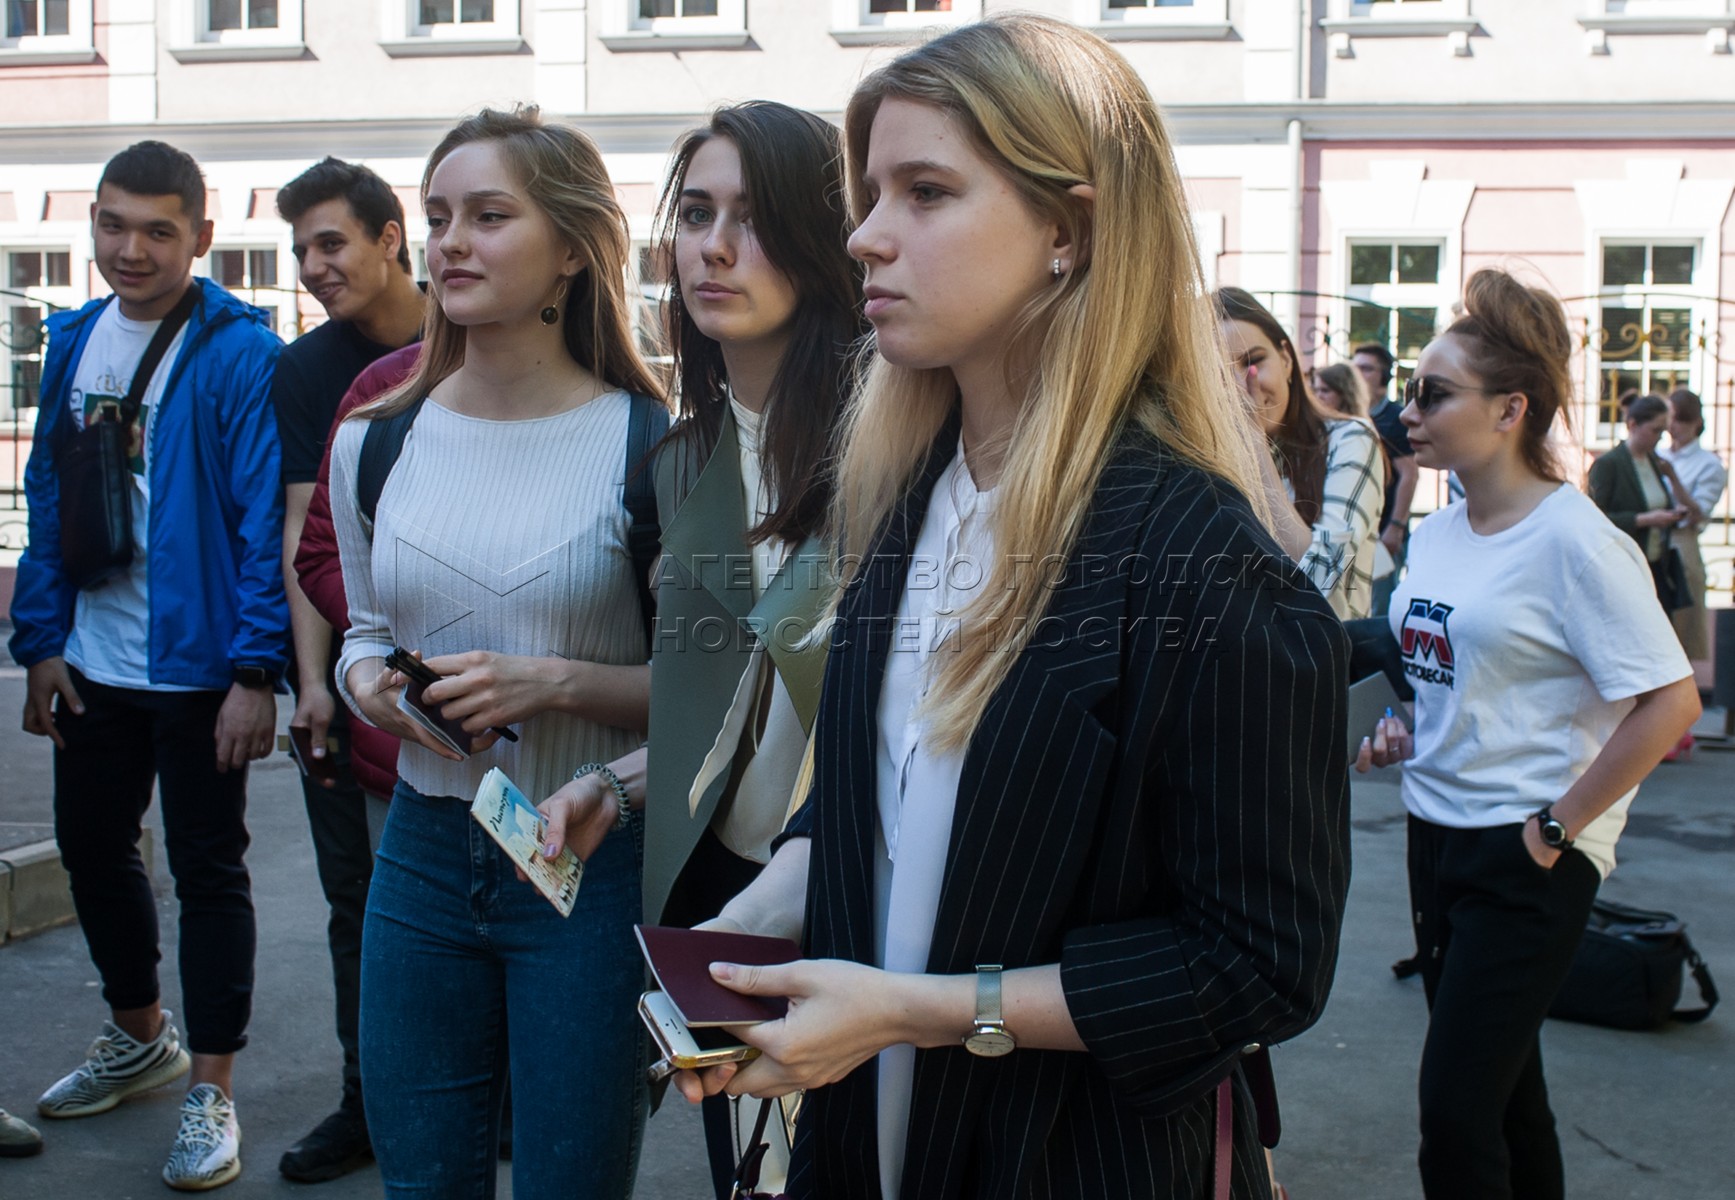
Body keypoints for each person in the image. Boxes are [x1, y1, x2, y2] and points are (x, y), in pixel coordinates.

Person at [671, 17, 1351, 1199]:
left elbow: (1257, 965)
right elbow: (891, 782)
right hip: (861, 1148)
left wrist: (923, 1011)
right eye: (870, 193)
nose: (864, 235)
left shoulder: (1199, 559)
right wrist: (777, 898)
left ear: (1068, 232)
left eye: (925, 191)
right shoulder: (905, 497)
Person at [328, 106, 665, 1200]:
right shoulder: (373, 439)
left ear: (570, 247)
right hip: (421, 852)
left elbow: (717, 703)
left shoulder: (655, 446)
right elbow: (363, 634)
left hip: (588, 859)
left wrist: (553, 682)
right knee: (421, 1184)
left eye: (488, 216)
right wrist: (373, 690)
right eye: (437, 218)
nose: (450, 244)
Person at [559, 100, 858, 1200]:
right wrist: (618, 784)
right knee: (747, 1175)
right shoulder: (685, 459)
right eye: (695, 214)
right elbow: (735, 716)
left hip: (856, 892)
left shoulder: (898, 446)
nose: (715, 247)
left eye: (755, 217)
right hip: (721, 887)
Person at [1357, 269, 1701, 1200]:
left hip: (1524, 857)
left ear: (1510, 409)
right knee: (1508, 1100)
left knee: (1455, 1112)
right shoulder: (1438, 533)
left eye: (1432, 394)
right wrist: (1402, 729)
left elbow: (1670, 703)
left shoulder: (1575, 542)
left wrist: (1557, 827)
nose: (1408, 411)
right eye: (1409, 390)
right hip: (1434, 834)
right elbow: (1451, 675)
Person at [8, 140, 287, 1191]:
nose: (132, 249)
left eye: (158, 231)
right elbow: (48, 500)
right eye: (113, 225)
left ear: (200, 237)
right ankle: (140, 1036)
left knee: (209, 871)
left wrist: (254, 671)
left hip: (201, 667)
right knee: (93, 848)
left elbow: (263, 518)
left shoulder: (240, 353)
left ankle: (212, 1089)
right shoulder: (75, 338)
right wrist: (40, 642)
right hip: (93, 660)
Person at [270, 155, 424, 1184]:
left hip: (468, 688)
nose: (315, 266)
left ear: (388, 240)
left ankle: (486, 1091)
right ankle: (366, 1102)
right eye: (301, 251)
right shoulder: (307, 369)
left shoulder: (469, 336)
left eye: (332, 243)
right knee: (356, 907)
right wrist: (313, 682)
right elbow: (305, 529)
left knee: (491, 900)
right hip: (347, 680)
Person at [1219, 289, 1384, 619]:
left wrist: (1254, 443)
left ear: (1286, 359)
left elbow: (1322, 589)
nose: (1243, 387)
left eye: (1253, 362)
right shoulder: (1210, 458)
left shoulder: (1349, 438)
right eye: (1221, 375)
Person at [1587, 393, 1689, 600]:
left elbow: (1656, 500)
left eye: (1663, 430)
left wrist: (1672, 514)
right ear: (1633, 425)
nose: (1660, 437)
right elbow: (1594, 519)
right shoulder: (1608, 464)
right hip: (1623, 566)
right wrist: (1644, 520)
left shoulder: (1655, 461)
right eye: (1655, 430)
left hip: (1657, 563)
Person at [1660, 387, 1727, 661]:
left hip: (1682, 543)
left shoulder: (1709, 464)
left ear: (1695, 423)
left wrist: (1672, 478)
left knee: (1682, 628)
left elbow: (1698, 512)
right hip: (1650, 540)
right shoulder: (1658, 452)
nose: (1673, 427)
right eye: (1670, 419)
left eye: (1680, 420)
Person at [1353, 342, 1419, 616]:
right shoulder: (1348, 415)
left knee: (1381, 609)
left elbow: (1409, 474)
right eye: (1354, 367)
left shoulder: (1395, 418)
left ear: (1384, 378)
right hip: (1353, 530)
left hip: (1383, 531)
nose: (1358, 374)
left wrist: (1396, 526)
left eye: (1366, 369)